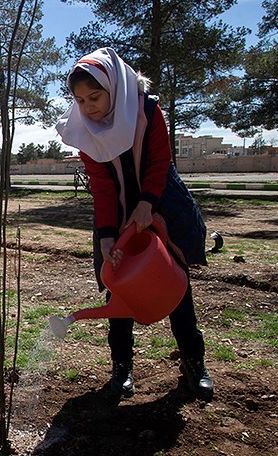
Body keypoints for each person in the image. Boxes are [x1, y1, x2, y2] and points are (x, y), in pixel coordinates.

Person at [55, 47, 213, 401]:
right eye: (80, 100)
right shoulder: (84, 131)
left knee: (176, 286)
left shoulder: (146, 110)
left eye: (95, 96)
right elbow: (103, 185)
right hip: (121, 215)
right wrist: (108, 236)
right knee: (119, 290)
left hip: (162, 207)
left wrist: (147, 203)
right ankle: (122, 368)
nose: (89, 106)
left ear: (114, 87)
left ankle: (193, 363)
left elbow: (160, 161)